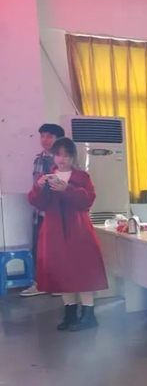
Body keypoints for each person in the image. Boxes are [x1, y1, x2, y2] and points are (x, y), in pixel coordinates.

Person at [27, 137, 108, 331]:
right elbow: (38, 203)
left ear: (73, 156)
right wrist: (39, 186)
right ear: (53, 156)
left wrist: (67, 189)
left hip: (78, 230)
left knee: (83, 272)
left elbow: (87, 201)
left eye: (66, 155)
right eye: (58, 154)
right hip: (53, 231)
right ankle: (70, 313)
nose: (62, 159)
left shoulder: (82, 177)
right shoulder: (47, 177)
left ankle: (88, 314)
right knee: (61, 273)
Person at [23, 122, 66, 296]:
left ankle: (58, 284)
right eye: (42, 136)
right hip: (40, 211)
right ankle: (40, 284)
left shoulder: (63, 159)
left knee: (57, 249)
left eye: (49, 136)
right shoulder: (39, 159)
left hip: (57, 212)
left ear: (59, 139)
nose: (45, 140)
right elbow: (36, 186)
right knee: (38, 248)